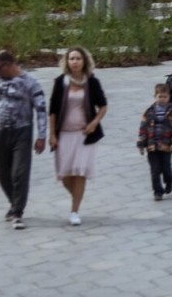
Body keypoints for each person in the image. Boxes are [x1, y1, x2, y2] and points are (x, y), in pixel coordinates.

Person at [0, 49, 47, 230]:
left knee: (19, 173)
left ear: (9, 65)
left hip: (22, 131)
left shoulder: (30, 83)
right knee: (2, 173)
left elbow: (41, 109)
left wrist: (42, 136)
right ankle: (14, 203)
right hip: (1, 132)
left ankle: (17, 213)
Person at [48, 47, 108, 227]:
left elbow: (103, 105)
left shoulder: (92, 82)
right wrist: (52, 134)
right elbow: (52, 111)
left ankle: (74, 211)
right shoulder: (60, 82)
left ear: (84, 61)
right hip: (64, 134)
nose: (74, 62)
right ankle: (77, 196)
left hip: (84, 135)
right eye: (71, 58)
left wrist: (94, 123)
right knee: (65, 174)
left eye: (78, 58)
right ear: (66, 61)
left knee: (80, 172)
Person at [137, 83, 172, 201]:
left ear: (169, 97)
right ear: (155, 96)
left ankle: (169, 179)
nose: (162, 99)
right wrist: (141, 144)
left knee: (166, 168)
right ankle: (157, 191)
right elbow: (143, 128)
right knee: (154, 170)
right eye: (160, 96)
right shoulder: (149, 112)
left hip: (166, 146)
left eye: (165, 97)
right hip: (152, 146)